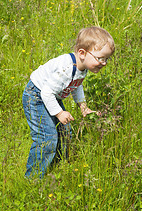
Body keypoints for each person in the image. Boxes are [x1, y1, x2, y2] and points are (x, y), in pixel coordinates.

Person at [22, 26, 115, 178]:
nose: (104, 63)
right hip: (36, 96)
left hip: (52, 96)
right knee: (47, 138)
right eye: (100, 58)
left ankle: (57, 167)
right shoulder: (66, 68)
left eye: (107, 59)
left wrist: (83, 107)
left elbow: (76, 85)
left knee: (65, 133)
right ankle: (33, 178)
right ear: (82, 53)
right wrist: (59, 113)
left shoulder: (82, 67)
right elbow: (46, 92)